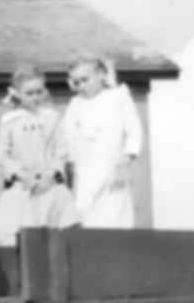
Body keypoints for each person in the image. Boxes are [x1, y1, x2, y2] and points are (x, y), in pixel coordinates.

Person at [0, 65, 79, 246]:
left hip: (49, 184)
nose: (35, 97)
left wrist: (51, 175)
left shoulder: (52, 117)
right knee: (18, 234)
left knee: (54, 236)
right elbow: (2, 155)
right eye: (29, 93)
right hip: (24, 185)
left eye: (39, 92)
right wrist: (22, 175)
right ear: (18, 94)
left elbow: (61, 151)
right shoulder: (10, 120)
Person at [60, 55, 144, 229]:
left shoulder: (118, 97)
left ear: (100, 75)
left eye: (85, 79)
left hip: (112, 171)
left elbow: (134, 132)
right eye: (76, 82)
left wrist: (124, 163)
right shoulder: (75, 104)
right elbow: (66, 137)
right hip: (84, 175)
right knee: (86, 220)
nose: (81, 86)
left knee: (113, 219)